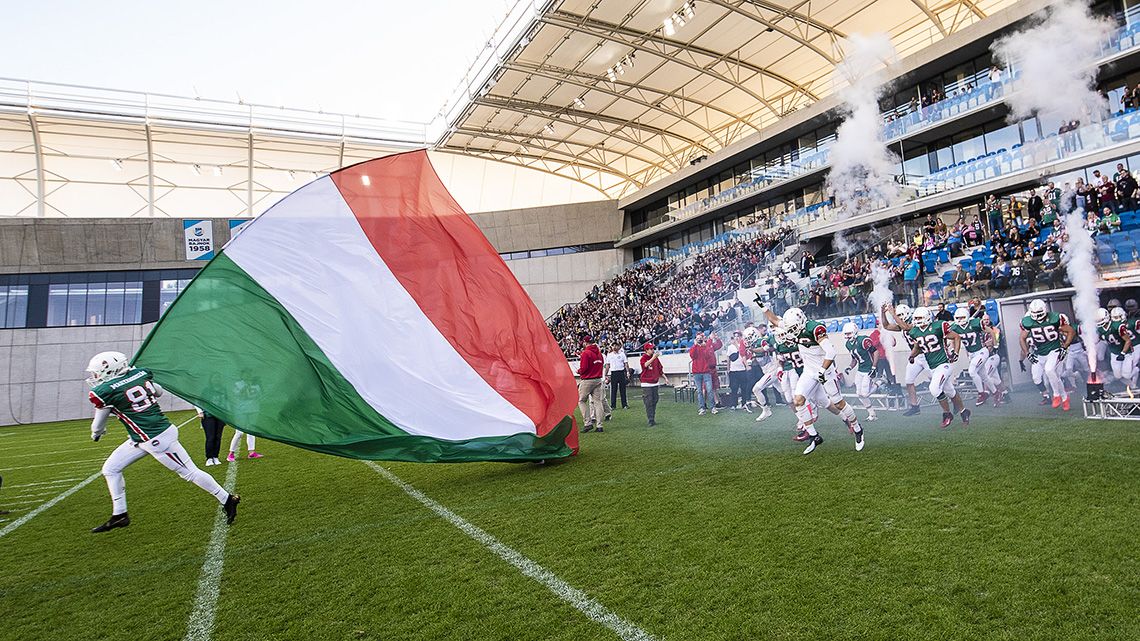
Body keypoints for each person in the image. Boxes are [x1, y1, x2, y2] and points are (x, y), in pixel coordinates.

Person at [85, 351, 239, 533]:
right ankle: (120, 515)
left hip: (155, 438)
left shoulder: (107, 392)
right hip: (142, 437)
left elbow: (98, 425)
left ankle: (227, 499)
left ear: (110, 370)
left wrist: (97, 433)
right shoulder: (138, 375)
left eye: (97, 373)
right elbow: (158, 392)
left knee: (189, 473)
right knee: (110, 468)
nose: (94, 377)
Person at [761, 304, 865, 455]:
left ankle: (857, 428)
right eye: (790, 329)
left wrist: (822, 371)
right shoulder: (792, 326)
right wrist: (763, 307)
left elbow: (831, 352)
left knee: (838, 403)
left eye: (794, 328)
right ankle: (814, 436)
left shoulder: (815, 328)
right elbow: (774, 319)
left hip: (825, 370)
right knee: (798, 401)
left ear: (802, 321)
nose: (792, 331)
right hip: (809, 371)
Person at [906, 307, 969, 428]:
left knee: (934, 388)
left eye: (919, 318)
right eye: (916, 318)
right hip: (933, 366)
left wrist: (956, 353)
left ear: (927, 317)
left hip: (944, 364)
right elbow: (919, 347)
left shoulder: (938, 326)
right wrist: (912, 355)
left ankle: (947, 414)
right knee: (950, 392)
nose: (917, 320)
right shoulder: (915, 332)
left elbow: (956, 337)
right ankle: (964, 411)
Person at [1019, 299, 1076, 411]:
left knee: (1050, 371)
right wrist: (1027, 353)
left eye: (1039, 313)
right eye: (1034, 314)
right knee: (1037, 377)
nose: (1036, 316)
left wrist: (1065, 347)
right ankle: (1064, 397)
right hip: (1039, 353)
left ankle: (1056, 395)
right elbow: (1022, 338)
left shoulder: (1055, 318)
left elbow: (1071, 331)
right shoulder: (1027, 322)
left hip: (1054, 349)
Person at [952, 307, 1004, 406]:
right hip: (972, 354)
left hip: (981, 351)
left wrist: (995, 344)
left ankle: (981, 393)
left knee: (972, 371)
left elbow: (991, 331)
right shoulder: (955, 328)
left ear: (967, 317)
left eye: (962, 317)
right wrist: (952, 351)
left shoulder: (975, 323)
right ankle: (996, 393)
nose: (960, 320)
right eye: (958, 318)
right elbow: (952, 340)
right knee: (984, 376)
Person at [883, 303, 927, 416]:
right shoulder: (901, 325)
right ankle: (915, 406)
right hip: (915, 357)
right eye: (898, 315)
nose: (899, 317)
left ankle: (952, 398)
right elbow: (886, 326)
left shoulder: (914, 323)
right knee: (908, 380)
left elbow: (906, 327)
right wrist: (883, 313)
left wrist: (893, 313)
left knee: (938, 384)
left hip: (927, 355)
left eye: (901, 314)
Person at [842, 322, 878, 422]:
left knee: (865, 394)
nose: (847, 336)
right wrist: (850, 367)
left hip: (869, 369)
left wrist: (874, 367)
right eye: (846, 334)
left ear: (854, 332)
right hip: (860, 369)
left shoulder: (863, 340)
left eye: (849, 333)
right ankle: (872, 414)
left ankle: (879, 383)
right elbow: (854, 359)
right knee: (859, 394)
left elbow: (876, 352)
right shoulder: (848, 344)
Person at [576, 334, 610, 432]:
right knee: (598, 402)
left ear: (585, 343)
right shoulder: (599, 353)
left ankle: (588, 423)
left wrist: (579, 371)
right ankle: (599, 425)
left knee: (582, 401)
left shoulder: (586, 353)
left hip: (587, 380)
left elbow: (584, 368)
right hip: (598, 379)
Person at [1097, 307, 1136, 390]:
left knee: (1126, 375)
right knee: (1118, 376)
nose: (1099, 321)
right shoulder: (1100, 329)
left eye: (1100, 319)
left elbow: (1128, 341)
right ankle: (1133, 386)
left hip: (1126, 353)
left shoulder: (1117, 326)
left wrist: (1123, 353)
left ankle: (1136, 370)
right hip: (1114, 353)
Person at [689, 331, 721, 415]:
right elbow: (692, 355)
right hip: (697, 372)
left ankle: (712, 407)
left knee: (710, 390)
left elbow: (708, 355)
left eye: (701, 338)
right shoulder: (694, 347)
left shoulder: (706, 346)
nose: (699, 340)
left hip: (706, 371)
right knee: (699, 391)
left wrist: (705, 344)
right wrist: (696, 345)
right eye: (698, 339)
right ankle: (702, 407)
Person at [725, 330, 752, 412]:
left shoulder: (743, 345)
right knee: (734, 388)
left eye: (738, 336)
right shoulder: (730, 347)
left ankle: (744, 403)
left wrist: (737, 345)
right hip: (734, 370)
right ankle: (734, 404)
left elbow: (743, 353)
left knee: (744, 388)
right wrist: (728, 369)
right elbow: (728, 359)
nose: (736, 338)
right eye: (735, 336)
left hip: (742, 369)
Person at [639, 342, 664, 426]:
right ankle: (651, 419)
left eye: (653, 348)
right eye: (651, 349)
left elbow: (660, 369)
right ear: (646, 350)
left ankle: (652, 417)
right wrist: (653, 358)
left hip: (654, 382)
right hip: (646, 383)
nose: (652, 350)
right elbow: (645, 365)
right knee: (648, 401)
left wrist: (665, 377)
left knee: (655, 400)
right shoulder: (643, 358)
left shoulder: (656, 358)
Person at [604, 343, 630, 410]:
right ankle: (613, 405)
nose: (614, 347)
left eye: (616, 345)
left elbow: (626, 364)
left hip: (621, 372)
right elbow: (607, 365)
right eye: (613, 345)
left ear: (619, 346)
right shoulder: (609, 355)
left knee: (623, 389)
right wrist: (605, 374)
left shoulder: (622, 354)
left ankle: (624, 404)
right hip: (614, 373)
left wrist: (627, 372)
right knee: (613, 390)